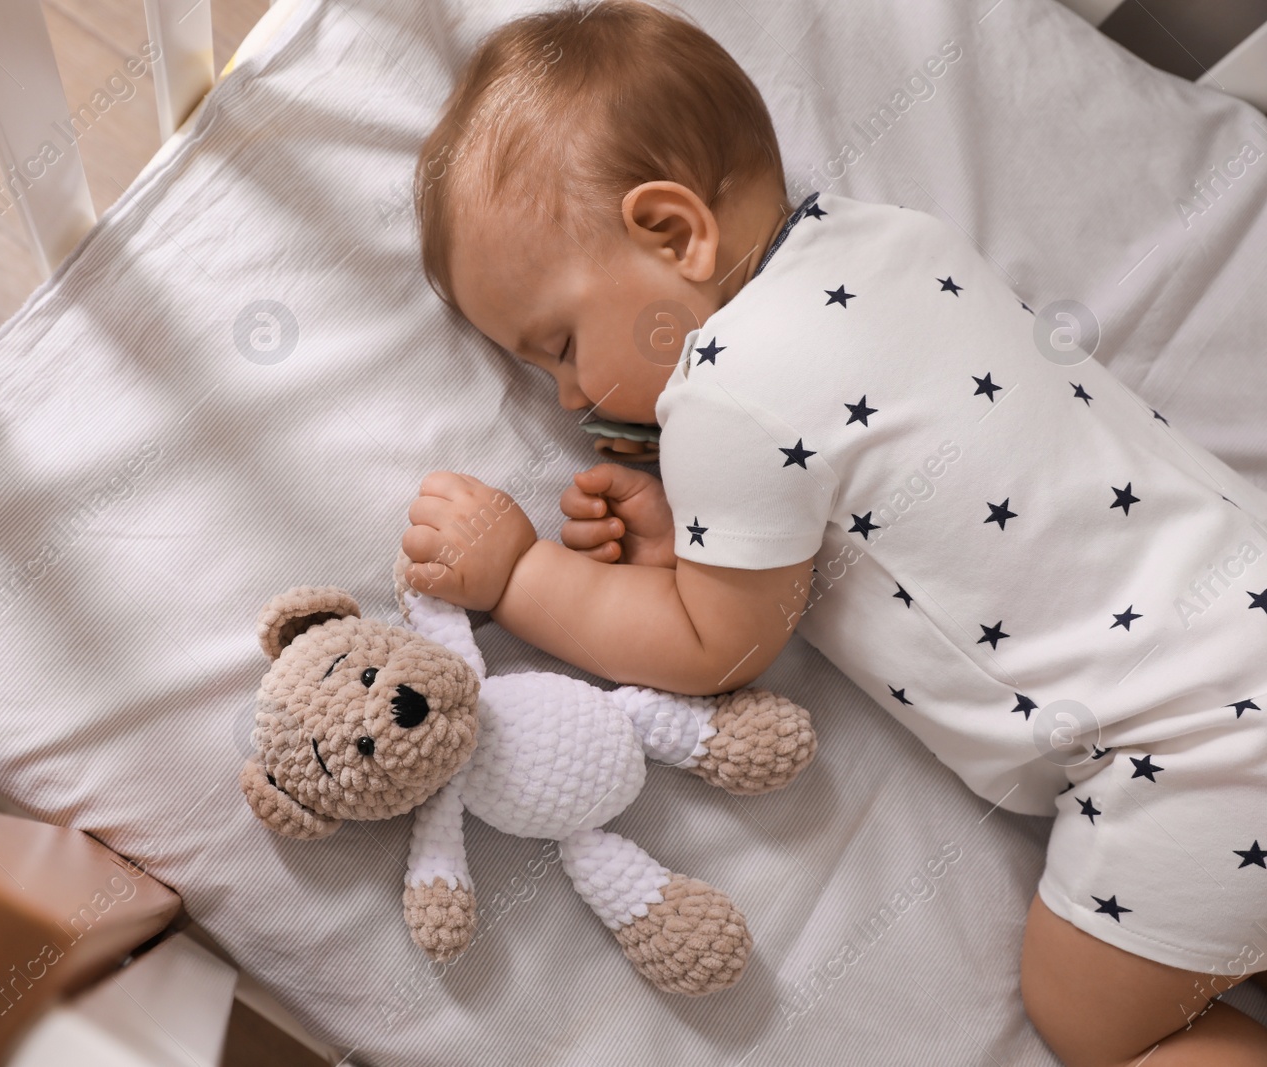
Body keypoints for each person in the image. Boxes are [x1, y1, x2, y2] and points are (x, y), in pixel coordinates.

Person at [399, 3, 1267, 1064]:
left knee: (1092, 1016)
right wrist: (691, 527)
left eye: (561, 345)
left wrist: (518, 572)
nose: (574, 396)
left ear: (674, 232)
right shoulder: (894, 240)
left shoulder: (722, 392)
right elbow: (874, 489)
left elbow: (715, 644)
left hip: (1195, 749)